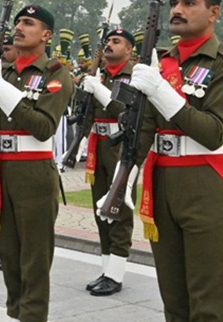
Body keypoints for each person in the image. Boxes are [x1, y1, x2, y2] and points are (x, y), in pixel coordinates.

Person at [119, 0, 223, 320]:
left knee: (207, 303)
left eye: (190, 3)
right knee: (174, 302)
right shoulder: (162, 62)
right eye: (175, 3)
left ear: (214, 12)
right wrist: (124, 178)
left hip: (209, 186)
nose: (177, 10)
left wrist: (160, 89)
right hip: (163, 185)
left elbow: (215, 132)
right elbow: (144, 128)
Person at [0, 5, 73, 321]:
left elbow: (43, 126)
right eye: (18, 22)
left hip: (34, 174)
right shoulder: (5, 72)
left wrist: (3, 92)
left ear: (46, 35)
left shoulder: (55, 73)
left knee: (33, 262)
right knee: (9, 258)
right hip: (3, 171)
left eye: (28, 23)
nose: (19, 27)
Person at [78, 28, 135, 297]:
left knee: (118, 208)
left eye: (116, 42)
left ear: (129, 49)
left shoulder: (133, 75)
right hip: (98, 145)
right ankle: (105, 268)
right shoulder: (99, 74)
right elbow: (84, 113)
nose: (110, 45)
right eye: (108, 41)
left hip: (120, 145)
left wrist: (99, 89)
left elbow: (123, 113)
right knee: (100, 208)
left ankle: (116, 273)